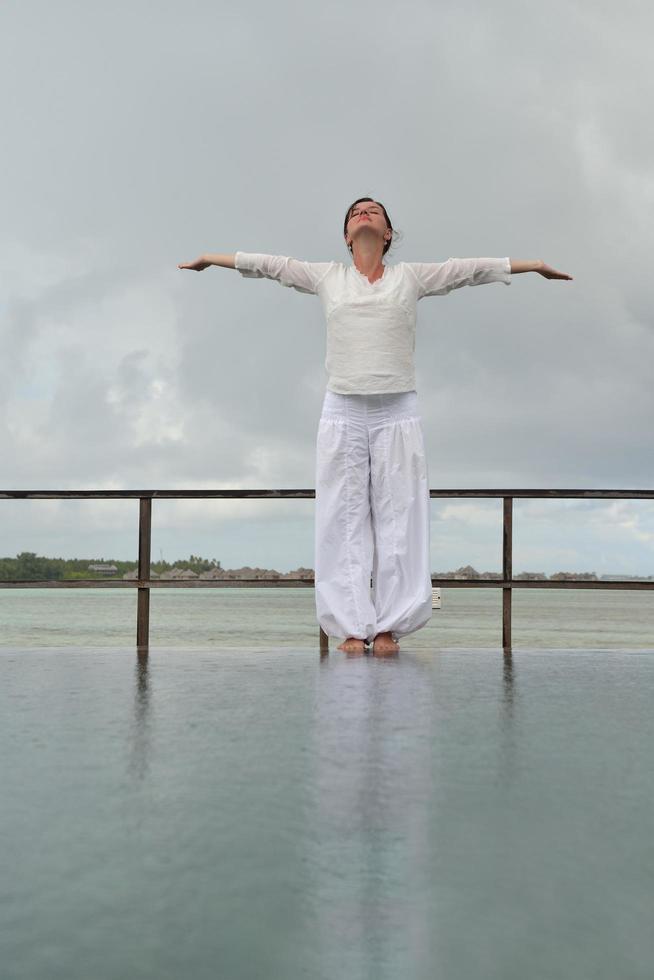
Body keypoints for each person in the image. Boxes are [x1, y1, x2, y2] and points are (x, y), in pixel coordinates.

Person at [178, 197, 573, 655]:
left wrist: (533, 266)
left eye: (373, 210)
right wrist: (211, 259)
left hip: (397, 411)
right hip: (342, 410)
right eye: (354, 212)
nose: (363, 213)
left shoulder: (410, 278)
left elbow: (468, 269)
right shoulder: (328, 277)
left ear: (388, 233)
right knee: (341, 520)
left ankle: (388, 627)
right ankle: (350, 626)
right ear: (347, 236)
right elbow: (272, 265)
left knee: (400, 518)